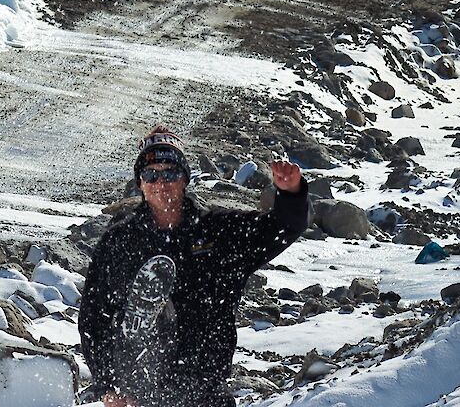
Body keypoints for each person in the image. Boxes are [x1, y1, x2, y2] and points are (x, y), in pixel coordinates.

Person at [79, 126, 309, 407]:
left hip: (206, 393)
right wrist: (107, 384)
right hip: (138, 397)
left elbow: (281, 228)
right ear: (140, 183)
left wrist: (291, 194)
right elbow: (93, 318)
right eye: (151, 174)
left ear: (185, 178)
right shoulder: (119, 243)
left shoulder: (219, 233)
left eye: (170, 173)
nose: (161, 182)